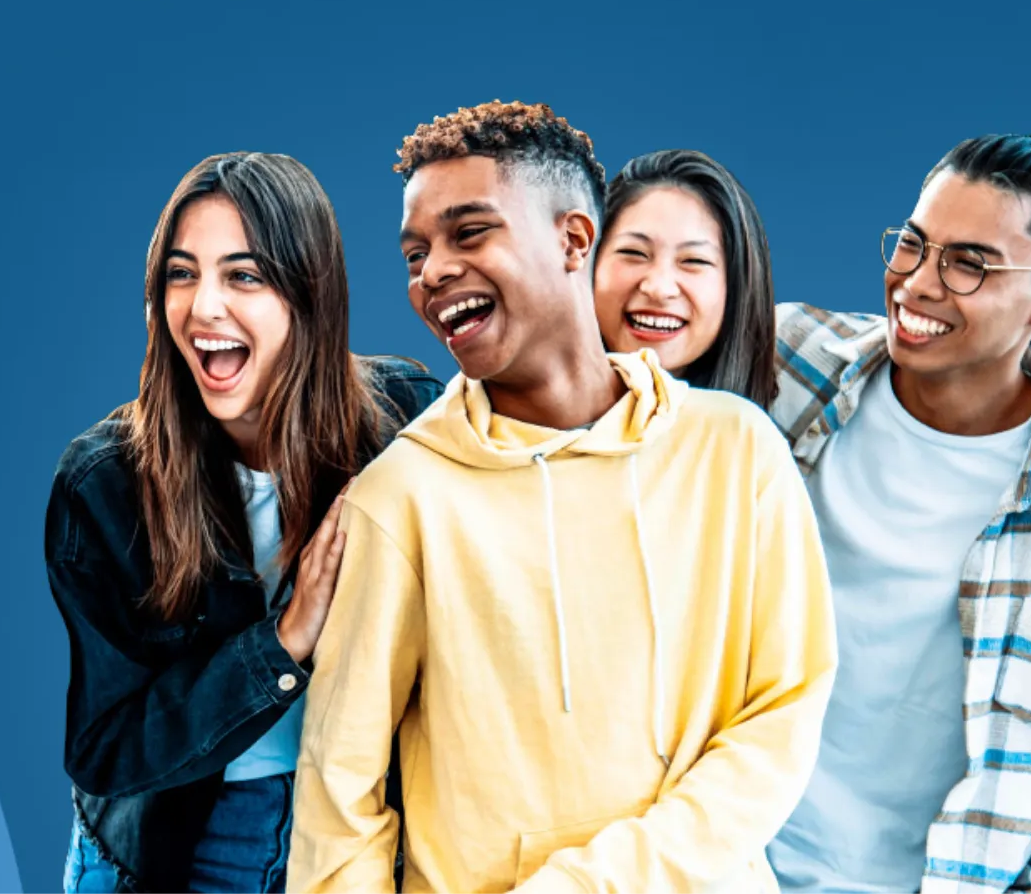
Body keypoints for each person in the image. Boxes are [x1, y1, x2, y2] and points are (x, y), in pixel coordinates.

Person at [289, 101, 836, 893]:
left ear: (575, 239)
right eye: (415, 253)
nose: (432, 271)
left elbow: (783, 710)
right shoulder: (401, 496)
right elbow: (339, 798)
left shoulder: (736, 450)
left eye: (469, 232)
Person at [48, 151, 443, 894]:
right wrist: (285, 639)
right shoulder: (105, 483)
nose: (203, 306)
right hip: (181, 847)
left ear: (309, 292)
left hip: (358, 828)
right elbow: (106, 749)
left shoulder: (405, 418)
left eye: (244, 275)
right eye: (182, 273)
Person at [767, 133, 1031, 894]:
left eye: (970, 264)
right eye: (914, 245)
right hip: (721, 865)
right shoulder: (787, 363)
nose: (919, 284)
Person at [595, 149, 779, 407]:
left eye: (694, 261)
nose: (659, 289)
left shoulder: (757, 428)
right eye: (634, 253)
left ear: (737, 287)